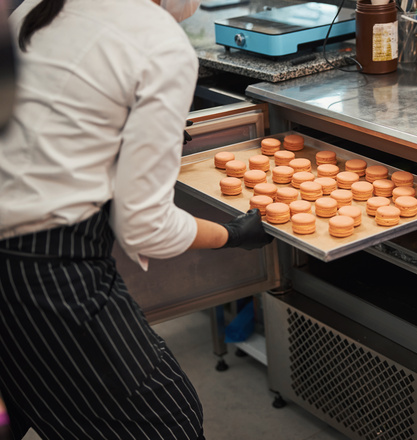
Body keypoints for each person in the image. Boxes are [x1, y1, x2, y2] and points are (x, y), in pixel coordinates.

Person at [0, 0, 272, 438]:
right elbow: (146, 227)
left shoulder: (35, 7)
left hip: (18, 264)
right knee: (168, 421)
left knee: (62, 416)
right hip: (49, 278)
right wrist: (232, 234)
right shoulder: (158, 42)